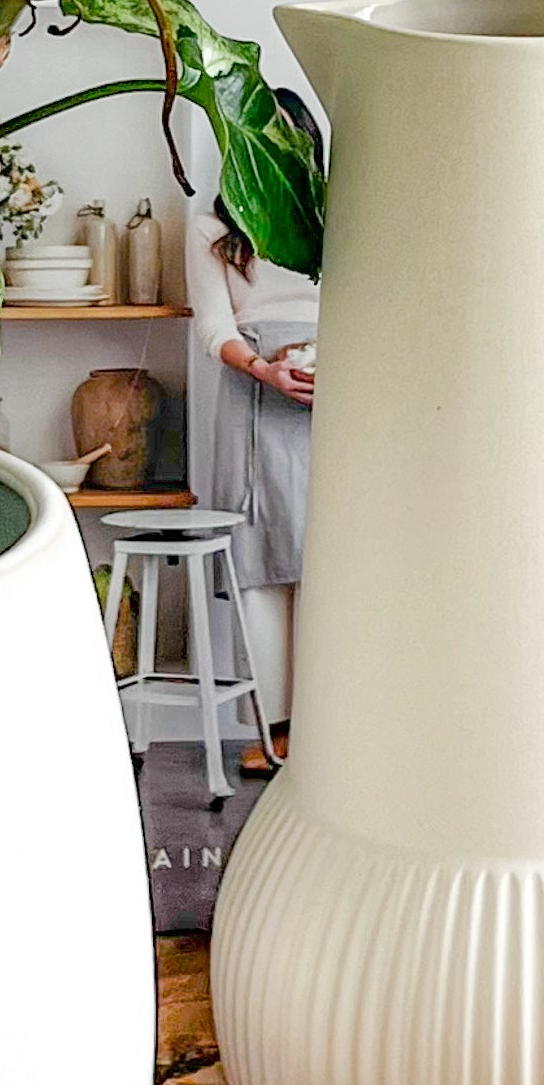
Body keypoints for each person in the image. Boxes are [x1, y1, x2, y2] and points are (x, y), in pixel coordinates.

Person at [184, 192, 318, 724]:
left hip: (338, 387)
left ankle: (326, 730)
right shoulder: (211, 230)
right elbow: (214, 327)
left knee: (328, 550)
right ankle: (272, 724)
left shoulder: (340, 221)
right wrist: (266, 370)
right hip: (255, 385)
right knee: (259, 547)